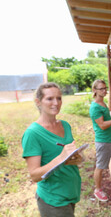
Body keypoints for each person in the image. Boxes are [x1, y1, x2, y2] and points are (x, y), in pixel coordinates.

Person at [22, 82, 82, 217]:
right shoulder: (33, 133)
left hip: (71, 193)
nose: (56, 102)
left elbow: (67, 158)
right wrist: (61, 157)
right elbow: (35, 175)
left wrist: (76, 159)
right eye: (49, 99)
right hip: (53, 200)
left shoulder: (65, 125)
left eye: (59, 98)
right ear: (38, 102)